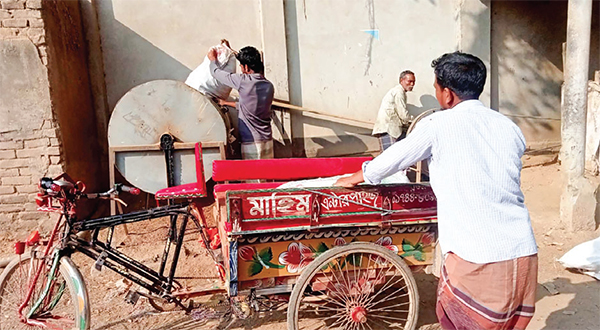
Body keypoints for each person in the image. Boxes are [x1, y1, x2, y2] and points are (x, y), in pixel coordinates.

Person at [335, 52, 538, 330]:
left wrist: (356, 177)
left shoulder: (437, 125)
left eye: (435, 88)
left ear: (448, 95)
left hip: (477, 256)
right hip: (523, 253)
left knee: (458, 319)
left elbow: (392, 158)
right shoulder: (510, 127)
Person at [208, 46, 275, 159]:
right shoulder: (269, 86)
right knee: (267, 174)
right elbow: (249, 106)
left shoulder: (243, 81)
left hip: (251, 141)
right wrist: (225, 103)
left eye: (241, 66)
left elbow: (216, 73)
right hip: (267, 139)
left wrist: (212, 60)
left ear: (246, 67)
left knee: (253, 175)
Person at [372, 70, 416, 151]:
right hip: (389, 130)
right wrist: (415, 121)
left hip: (388, 129)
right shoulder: (399, 92)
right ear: (401, 80)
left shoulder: (397, 91)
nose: (412, 84)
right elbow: (403, 115)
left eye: (413, 82)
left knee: (390, 157)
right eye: (409, 81)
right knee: (391, 158)